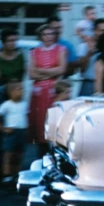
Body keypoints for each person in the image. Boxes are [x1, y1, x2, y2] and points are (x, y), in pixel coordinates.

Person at [28, 24, 67, 157]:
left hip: (53, 91)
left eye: (51, 34)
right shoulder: (34, 51)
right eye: (45, 34)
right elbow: (31, 74)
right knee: (39, 123)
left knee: (53, 121)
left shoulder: (61, 49)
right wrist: (52, 72)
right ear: (40, 36)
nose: (48, 37)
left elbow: (62, 70)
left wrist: (41, 72)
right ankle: (41, 155)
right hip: (38, 93)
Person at [0, 81, 28, 186]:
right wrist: (3, 129)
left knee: (19, 155)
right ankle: (7, 176)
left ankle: (17, 176)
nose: (22, 91)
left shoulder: (24, 104)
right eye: (19, 89)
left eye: (22, 89)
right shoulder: (6, 105)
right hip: (11, 132)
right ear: (10, 92)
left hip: (22, 131)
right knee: (8, 155)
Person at [78, 18, 104, 97]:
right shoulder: (84, 46)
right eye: (102, 30)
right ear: (95, 31)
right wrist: (89, 53)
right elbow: (82, 69)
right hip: (90, 83)